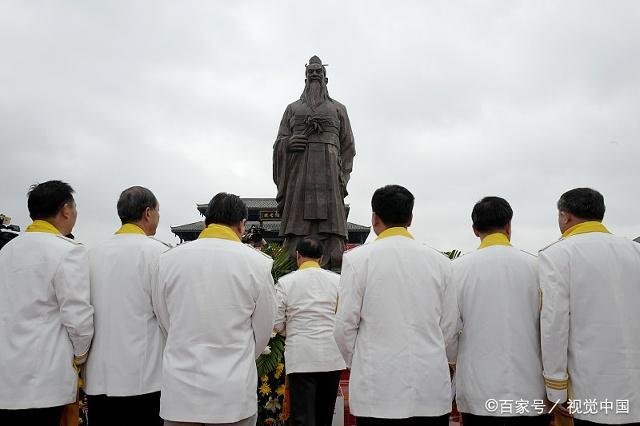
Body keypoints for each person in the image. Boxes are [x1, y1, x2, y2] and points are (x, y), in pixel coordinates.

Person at [334, 185, 458, 425]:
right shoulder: (441, 263)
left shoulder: (357, 260)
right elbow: (449, 327)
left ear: (374, 218)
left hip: (377, 388)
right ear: (410, 218)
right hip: (429, 387)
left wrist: (362, 360)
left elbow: (344, 327)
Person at [153, 192, 276, 426]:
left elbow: (164, 319)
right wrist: (239, 355)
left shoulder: (168, 260)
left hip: (181, 391)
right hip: (232, 392)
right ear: (241, 225)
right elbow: (263, 329)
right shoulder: (258, 264)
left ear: (205, 222)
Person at [539, 188, 640, 425]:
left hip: (591, 387)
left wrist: (556, 389)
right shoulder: (635, 251)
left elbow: (554, 325)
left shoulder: (557, 254)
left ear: (564, 216)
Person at [0, 180, 94, 425]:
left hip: (6, 379)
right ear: (65, 210)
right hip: (43, 379)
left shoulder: (6, 251)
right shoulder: (68, 251)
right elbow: (78, 316)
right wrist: (80, 356)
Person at [452, 197, 548, 426]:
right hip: (530, 389)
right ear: (508, 226)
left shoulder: (457, 269)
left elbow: (449, 330)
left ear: (475, 230)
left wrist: (454, 361)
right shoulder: (538, 267)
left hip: (478, 391)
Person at [84, 186, 168, 425]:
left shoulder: (91, 254)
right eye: (158, 211)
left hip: (99, 377)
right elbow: (168, 317)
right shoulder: (160, 254)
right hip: (145, 377)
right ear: (148, 213)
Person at [273, 55, 356, 269]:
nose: (315, 75)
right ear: (305, 78)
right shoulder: (292, 109)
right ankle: (293, 260)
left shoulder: (339, 109)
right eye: (311, 72)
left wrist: (342, 177)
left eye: (319, 72)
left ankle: (334, 261)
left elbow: (348, 146)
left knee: (332, 228)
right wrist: (288, 143)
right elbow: (279, 141)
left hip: (330, 175)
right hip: (299, 174)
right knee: (296, 226)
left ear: (326, 79)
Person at [274, 236, 346, 425]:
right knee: (325, 417)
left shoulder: (285, 282)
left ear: (298, 255)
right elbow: (343, 317)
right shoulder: (338, 281)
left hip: (301, 356)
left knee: (303, 417)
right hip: (332, 356)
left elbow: (277, 322)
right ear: (321, 258)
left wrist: (291, 331)